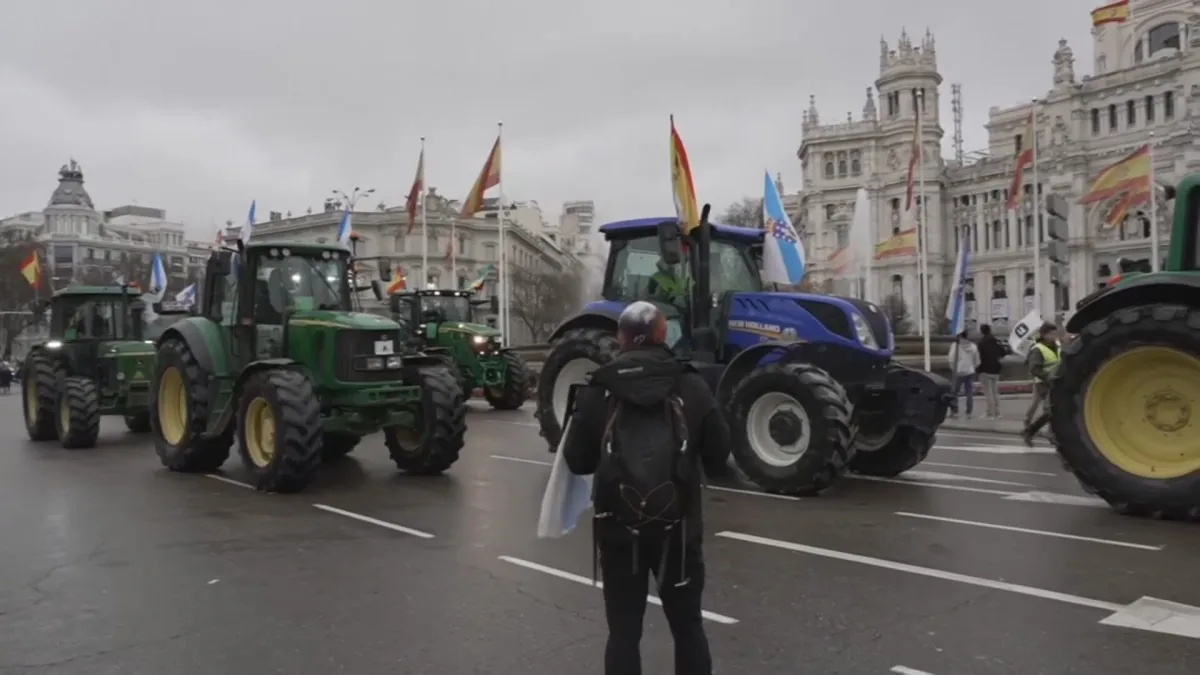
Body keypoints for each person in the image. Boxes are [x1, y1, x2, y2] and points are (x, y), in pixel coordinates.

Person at [562, 300, 729, 675]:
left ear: (621, 337)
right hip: (680, 533)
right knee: (688, 629)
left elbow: (578, 461)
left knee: (623, 634)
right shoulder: (692, 385)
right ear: (663, 333)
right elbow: (719, 457)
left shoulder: (597, 389)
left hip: (619, 532)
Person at [1022, 323, 1061, 446]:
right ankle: (1031, 431)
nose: (1054, 336)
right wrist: (1048, 378)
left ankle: (1038, 432)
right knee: (1051, 410)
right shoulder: (1037, 349)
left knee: (1054, 410)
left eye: (1055, 333)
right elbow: (1034, 369)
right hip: (1044, 383)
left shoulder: (1057, 345)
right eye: (1051, 334)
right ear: (1044, 335)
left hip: (1056, 381)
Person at [975, 324, 1007, 419]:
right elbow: (1003, 352)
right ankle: (997, 412)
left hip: (985, 370)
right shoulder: (995, 341)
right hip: (996, 369)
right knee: (995, 392)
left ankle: (990, 412)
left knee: (988, 393)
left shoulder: (981, 343)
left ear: (981, 331)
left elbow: (978, 357)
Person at [948, 330, 981, 419]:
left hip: (958, 372)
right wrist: (972, 367)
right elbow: (977, 361)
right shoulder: (973, 346)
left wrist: (953, 369)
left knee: (954, 392)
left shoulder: (955, 346)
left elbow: (951, 359)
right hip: (970, 371)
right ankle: (969, 412)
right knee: (969, 392)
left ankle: (954, 411)